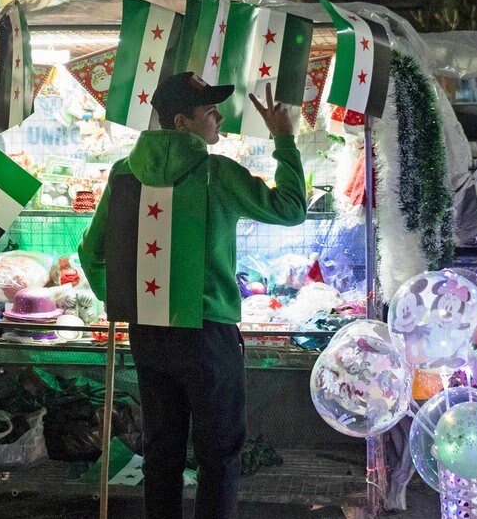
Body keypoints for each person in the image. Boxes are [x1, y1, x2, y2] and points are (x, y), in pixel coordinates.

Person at [79, 73, 307, 519]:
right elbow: (292, 208)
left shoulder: (124, 174)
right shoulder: (216, 173)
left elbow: (91, 251)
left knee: (161, 454)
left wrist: (119, 300)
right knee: (218, 456)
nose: (219, 117)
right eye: (210, 111)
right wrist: (284, 140)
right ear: (182, 121)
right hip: (208, 337)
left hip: (148, 334)